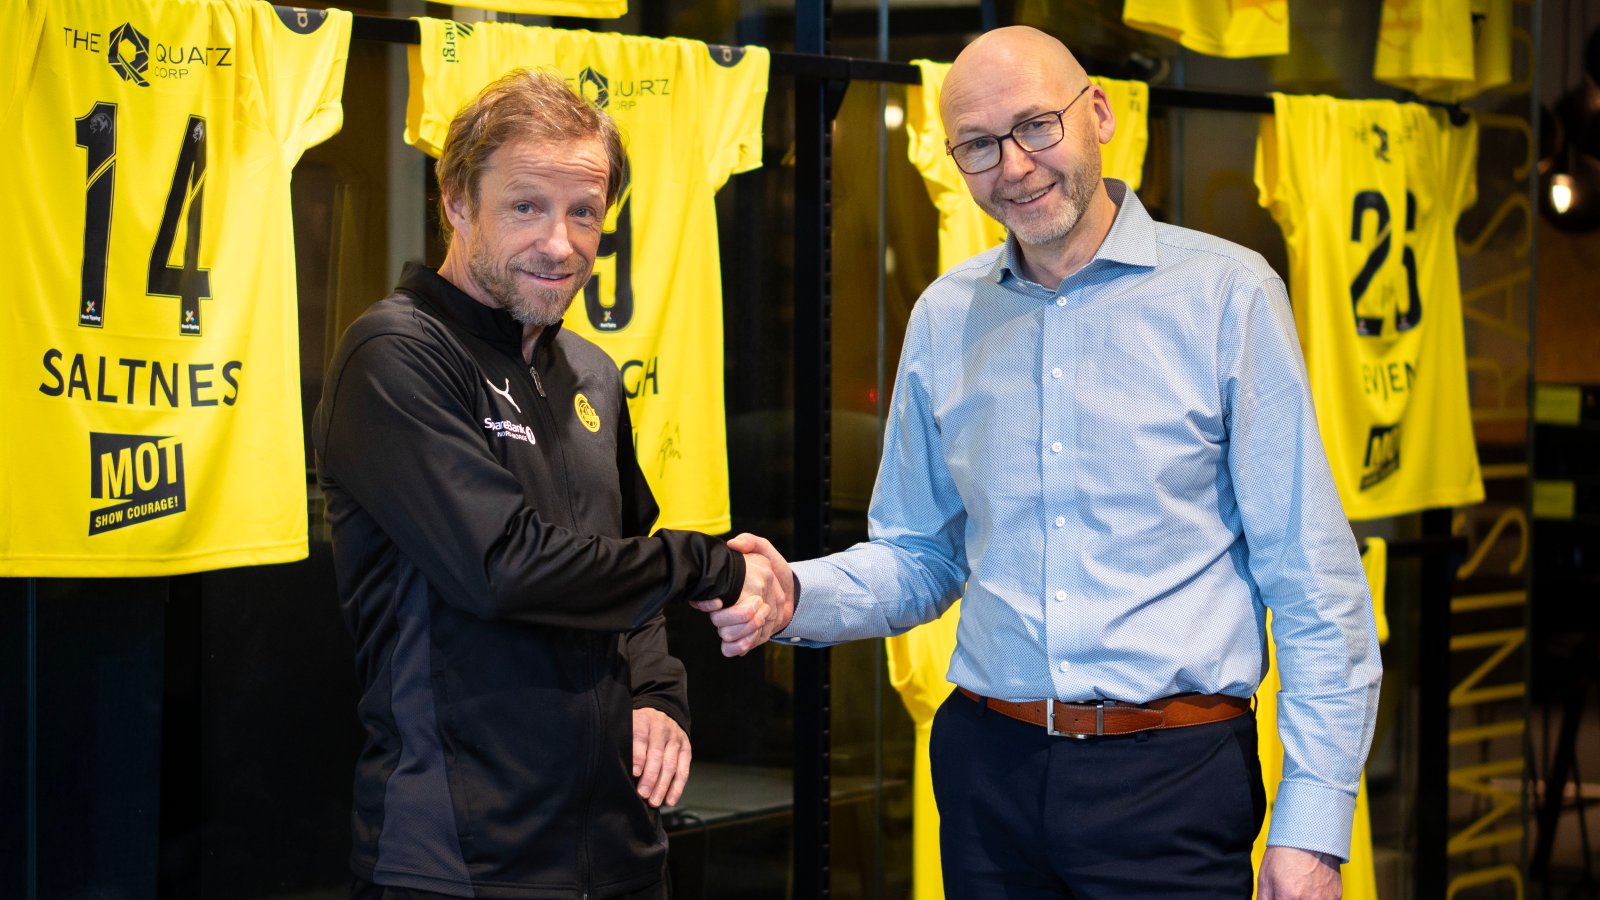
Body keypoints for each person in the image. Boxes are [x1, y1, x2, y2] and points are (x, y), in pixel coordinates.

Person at [722, 26, 1381, 900]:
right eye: (978, 145)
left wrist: (1312, 830)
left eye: (1037, 125)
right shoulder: (945, 315)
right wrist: (794, 594)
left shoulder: (1229, 295)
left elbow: (1312, 581)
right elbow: (920, 555)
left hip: (1173, 780)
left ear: (1098, 113)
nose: (1015, 166)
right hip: (987, 773)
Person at [311, 69, 778, 899]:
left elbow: (625, 563)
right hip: (458, 862)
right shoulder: (395, 355)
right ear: (457, 201)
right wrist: (708, 565)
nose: (561, 244)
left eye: (584, 212)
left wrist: (658, 695)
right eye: (526, 206)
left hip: (620, 853)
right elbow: (505, 567)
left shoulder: (591, 374)